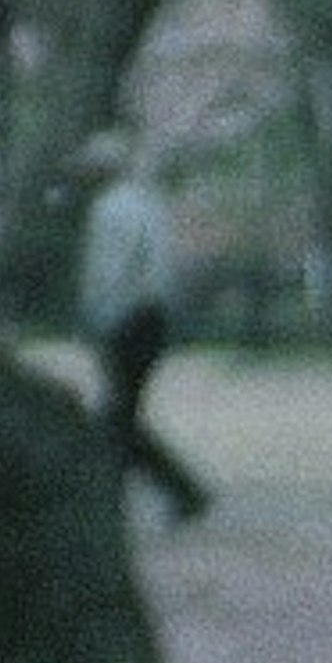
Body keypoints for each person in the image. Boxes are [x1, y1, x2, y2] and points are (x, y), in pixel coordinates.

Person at [76, 132, 209, 525]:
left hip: (126, 315)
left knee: (118, 416)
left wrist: (99, 315)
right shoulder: (149, 203)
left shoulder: (109, 209)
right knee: (121, 414)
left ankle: (177, 491)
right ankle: (172, 492)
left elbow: (111, 270)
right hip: (152, 315)